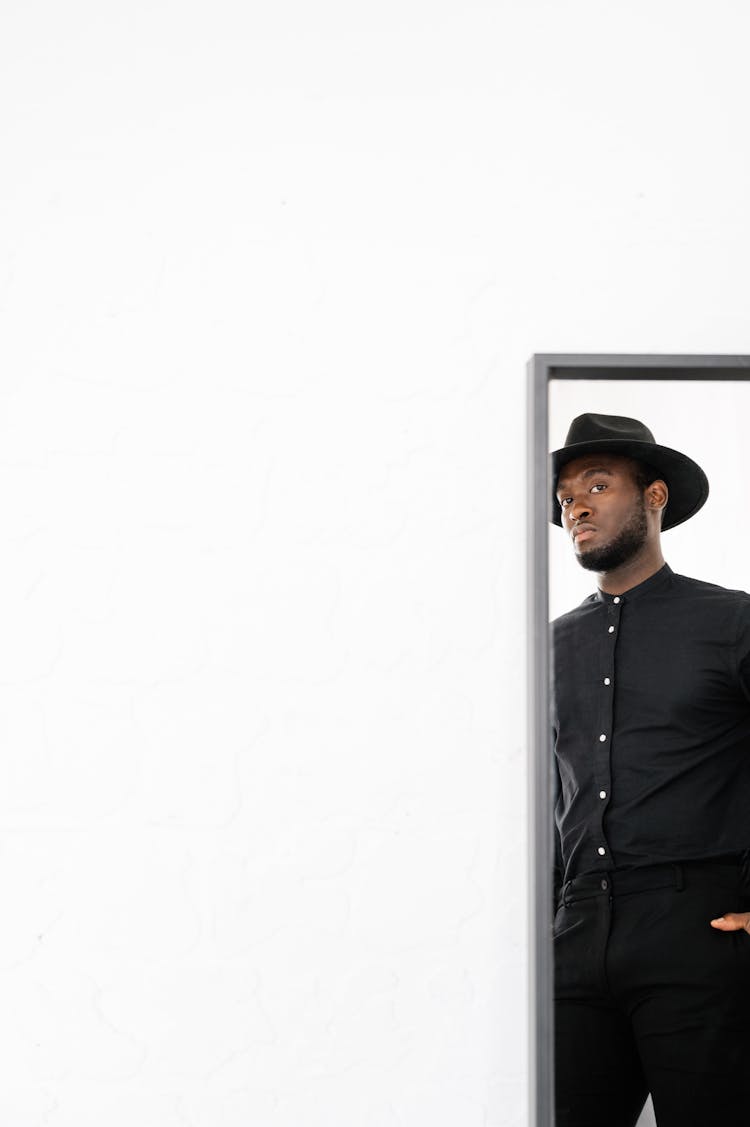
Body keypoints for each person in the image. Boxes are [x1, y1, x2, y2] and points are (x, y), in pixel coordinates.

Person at [550, 413, 750, 1127]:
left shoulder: (733, 623)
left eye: (598, 484)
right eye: (567, 494)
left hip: (700, 929)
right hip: (572, 936)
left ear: (656, 496)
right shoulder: (543, 648)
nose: (577, 503)